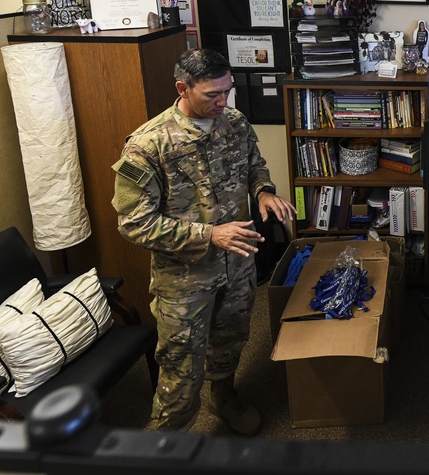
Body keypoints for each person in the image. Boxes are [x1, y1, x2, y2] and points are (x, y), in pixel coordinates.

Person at [112, 48, 297, 435]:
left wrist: (263, 191)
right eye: (212, 94)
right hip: (185, 278)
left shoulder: (234, 123)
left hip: (238, 263)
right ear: (183, 88)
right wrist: (209, 234)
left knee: (230, 342)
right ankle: (165, 441)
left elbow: (254, 167)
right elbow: (134, 224)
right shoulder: (148, 145)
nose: (222, 101)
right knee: (181, 364)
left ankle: (224, 397)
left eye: (226, 91)